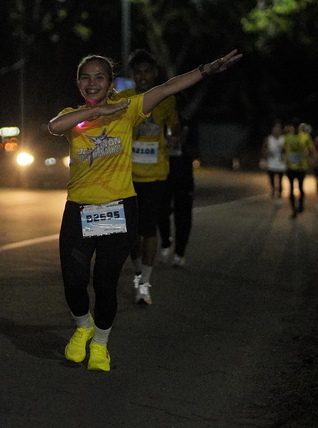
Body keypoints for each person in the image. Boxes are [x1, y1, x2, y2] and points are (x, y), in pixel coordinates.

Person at [48, 49, 242, 371]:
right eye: (85, 77)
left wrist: (207, 69)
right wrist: (98, 111)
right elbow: (54, 126)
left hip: (117, 209)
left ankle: (100, 343)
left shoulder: (128, 110)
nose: (92, 83)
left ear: (111, 83)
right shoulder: (74, 116)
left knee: (104, 282)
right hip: (80, 210)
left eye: (100, 77)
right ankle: (83, 326)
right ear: (78, 83)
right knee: (73, 279)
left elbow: (168, 88)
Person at [116, 50, 180, 305]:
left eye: (147, 72)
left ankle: (144, 285)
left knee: (148, 228)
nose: (142, 77)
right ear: (132, 75)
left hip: (155, 175)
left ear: (155, 73)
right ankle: (138, 273)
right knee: (130, 232)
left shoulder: (166, 99)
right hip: (126, 176)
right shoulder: (123, 99)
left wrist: (175, 136)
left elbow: (174, 127)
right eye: (137, 72)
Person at [156, 114, 196, 268]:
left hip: (183, 176)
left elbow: (196, 150)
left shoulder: (188, 124)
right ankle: (166, 242)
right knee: (161, 211)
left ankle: (179, 252)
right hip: (162, 173)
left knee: (183, 216)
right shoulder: (160, 122)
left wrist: (182, 142)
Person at [282, 119, 315, 218]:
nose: (296, 128)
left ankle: (301, 205)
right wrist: (285, 157)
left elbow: (311, 149)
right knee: (291, 188)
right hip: (290, 167)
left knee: (300, 187)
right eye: (294, 126)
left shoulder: (305, 136)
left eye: (297, 126)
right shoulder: (287, 137)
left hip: (301, 167)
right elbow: (283, 149)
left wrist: (310, 158)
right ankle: (293, 209)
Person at [261, 121, 286, 205]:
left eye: (278, 129)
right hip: (271, 163)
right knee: (271, 178)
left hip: (281, 163)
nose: (276, 131)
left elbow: (287, 150)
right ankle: (273, 189)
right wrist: (266, 153)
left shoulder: (284, 139)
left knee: (280, 180)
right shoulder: (269, 139)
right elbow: (264, 149)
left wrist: (284, 154)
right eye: (275, 129)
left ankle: (279, 195)